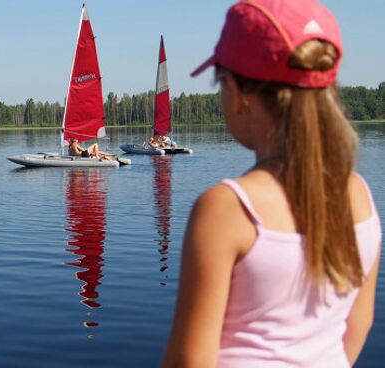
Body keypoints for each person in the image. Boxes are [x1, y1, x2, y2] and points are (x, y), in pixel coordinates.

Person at [163, 1, 381, 367]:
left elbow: (188, 361)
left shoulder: (227, 209)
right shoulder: (359, 193)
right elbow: (359, 324)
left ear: (238, 92)